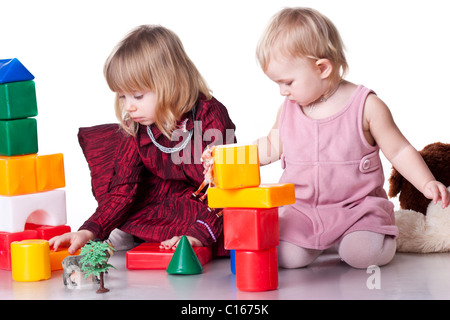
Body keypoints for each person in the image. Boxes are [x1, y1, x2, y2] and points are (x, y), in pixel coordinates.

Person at [253, 7, 449, 269]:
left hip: (358, 209)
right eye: (277, 83)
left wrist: (426, 183)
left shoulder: (366, 106)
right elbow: (270, 146)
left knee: (363, 256)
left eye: (287, 82)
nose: (281, 92)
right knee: (286, 258)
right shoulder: (288, 110)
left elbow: (399, 150)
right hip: (304, 211)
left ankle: (362, 237)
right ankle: (321, 242)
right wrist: (230, 159)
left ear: (322, 68)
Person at [50, 25, 236, 255]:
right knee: (128, 195)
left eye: (137, 96)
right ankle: (133, 230)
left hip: (207, 200)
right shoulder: (138, 124)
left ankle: (178, 234)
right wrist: (89, 230)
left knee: (232, 222)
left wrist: (198, 233)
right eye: (122, 96)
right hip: (165, 199)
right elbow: (123, 189)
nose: (129, 105)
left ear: (171, 83)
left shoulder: (209, 114)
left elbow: (223, 185)